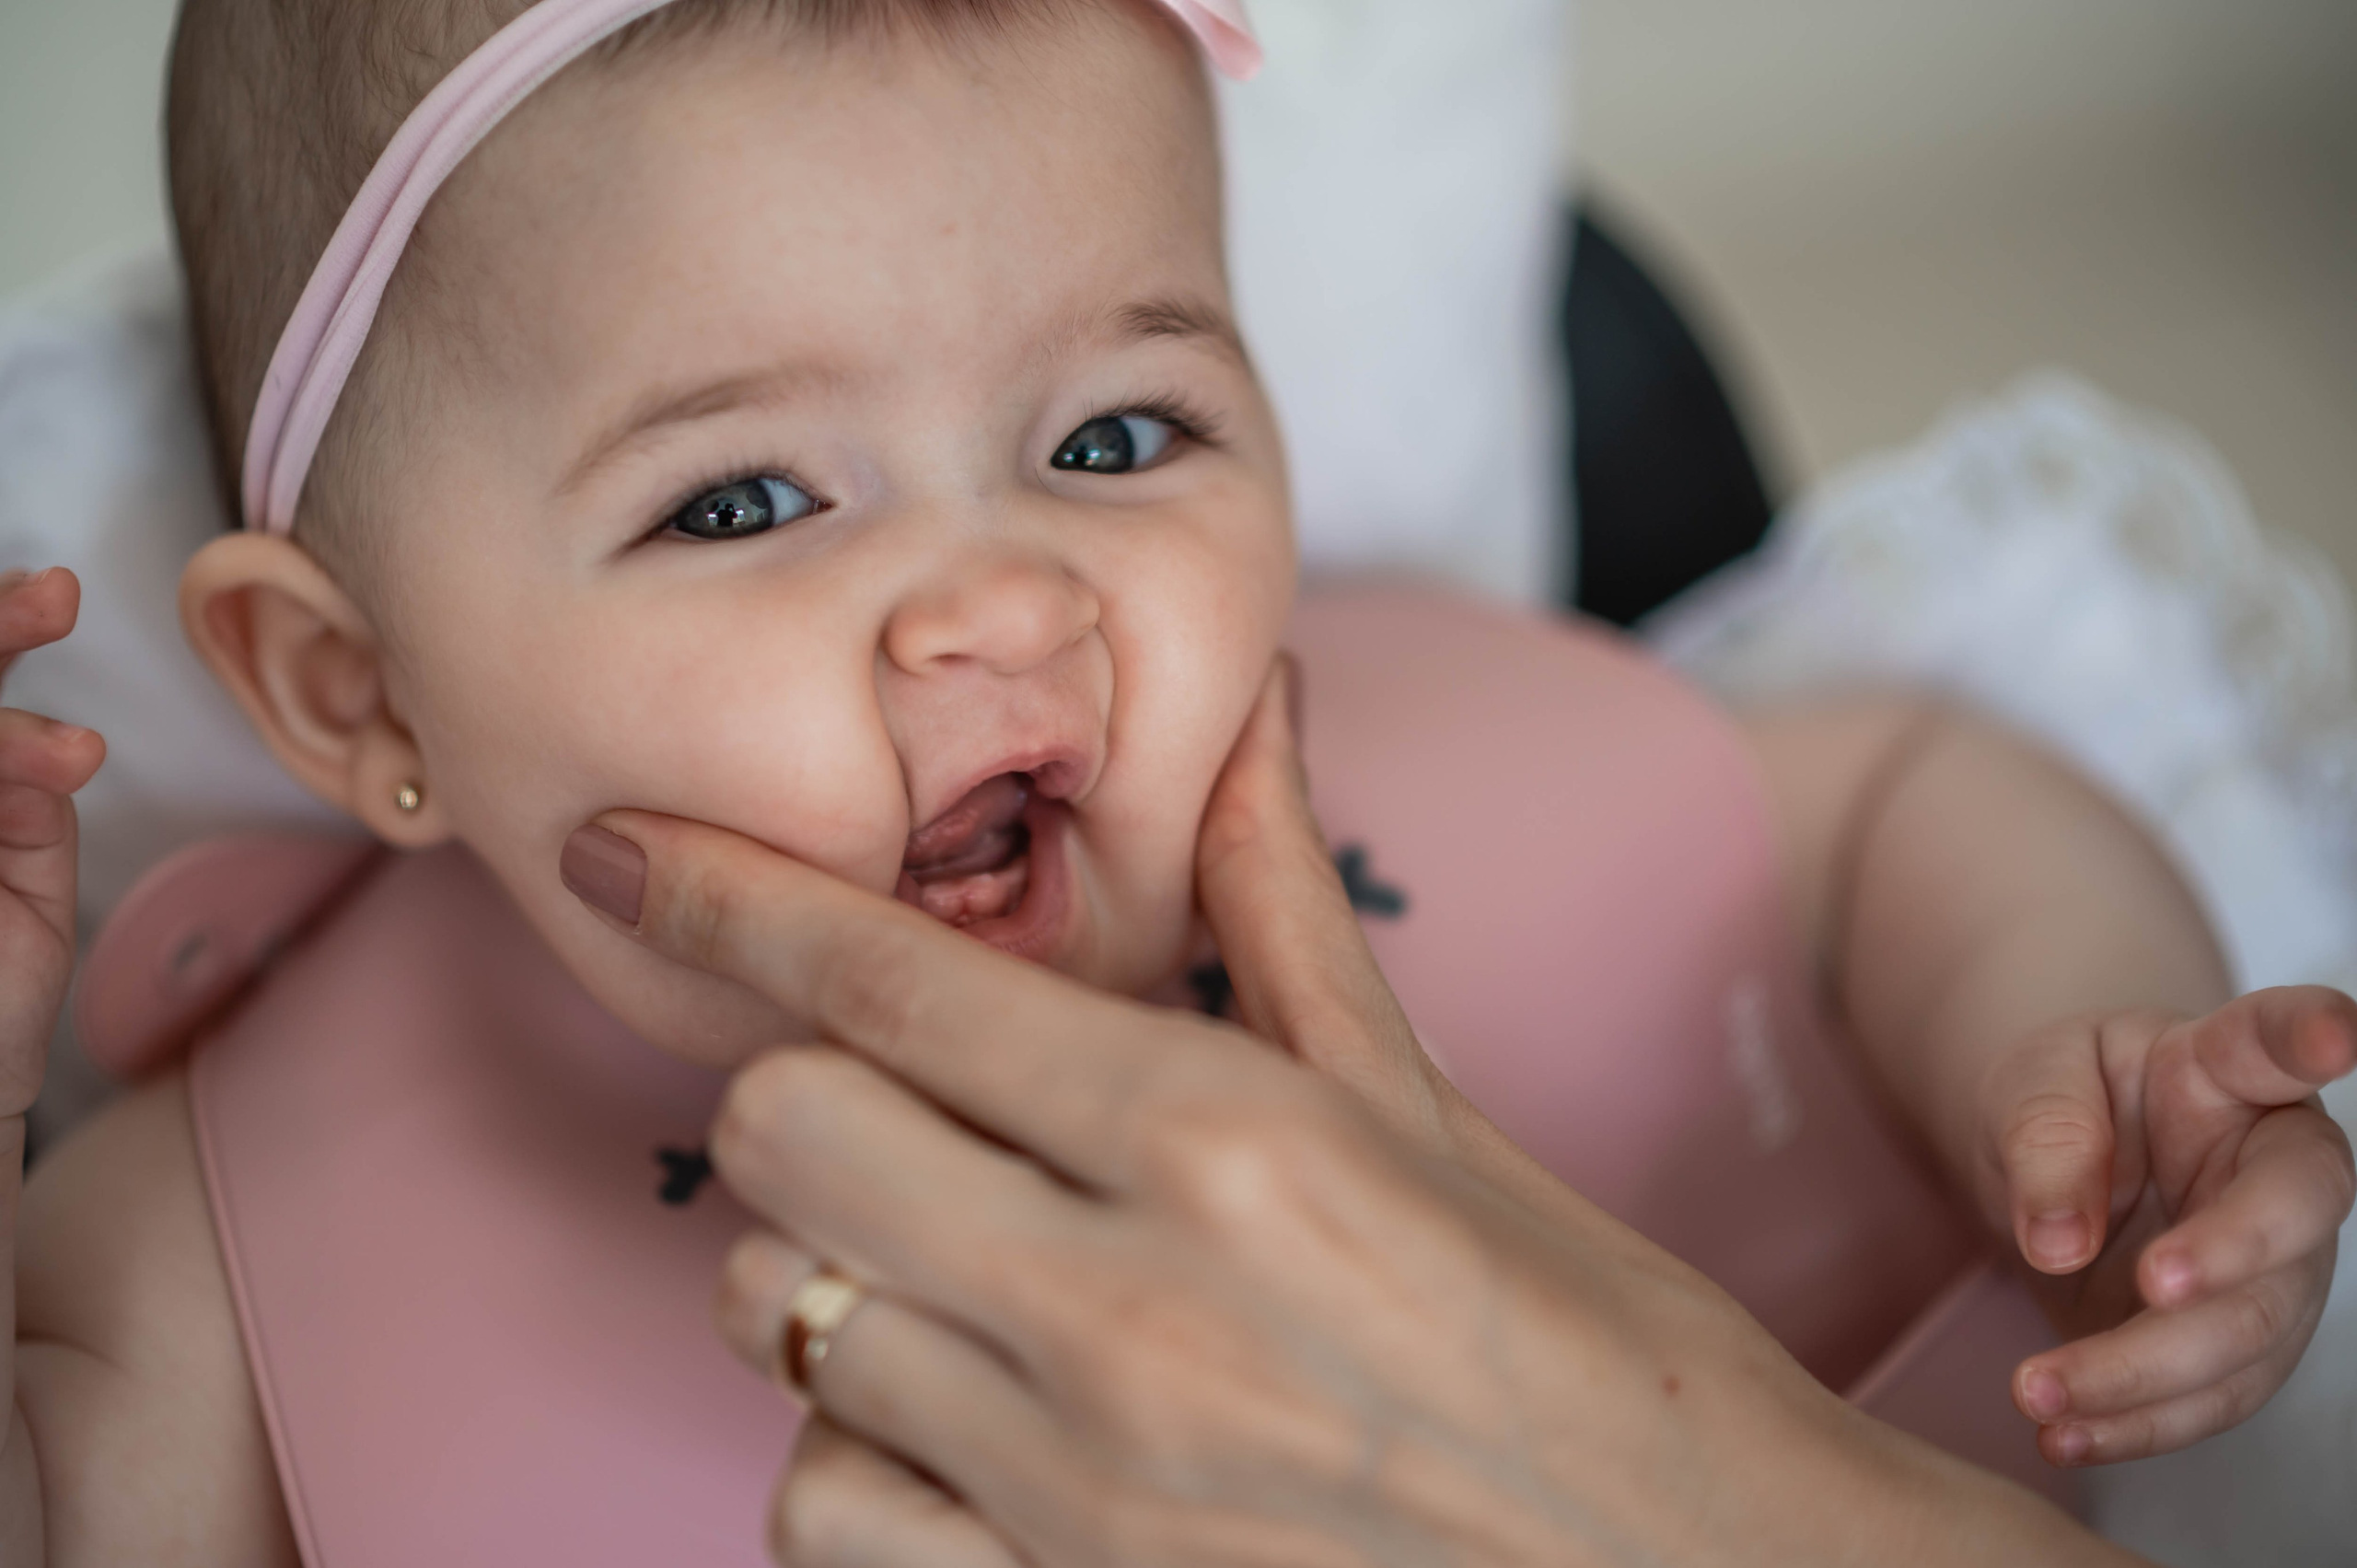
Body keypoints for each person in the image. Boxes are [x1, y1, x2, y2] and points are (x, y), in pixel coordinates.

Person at [2, 0, 2350, 1559]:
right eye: (739, 502)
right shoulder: (233, 1223)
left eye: (1115, 439)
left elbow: (1904, 790)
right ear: (353, 700)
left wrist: (2069, 1055)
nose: (1006, 604)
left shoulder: (1422, 723)